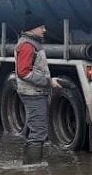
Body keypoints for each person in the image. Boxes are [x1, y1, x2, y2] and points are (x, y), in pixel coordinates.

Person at [15, 13, 61, 164]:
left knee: (35, 128)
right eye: (41, 27)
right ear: (32, 28)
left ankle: (29, 163)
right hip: (32, 93)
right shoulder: (28, 45)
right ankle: (33, 168)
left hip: (34, 92)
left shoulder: (30, 43)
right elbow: (23, 72)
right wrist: (48, 82)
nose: (44, 30)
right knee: (39, 131)